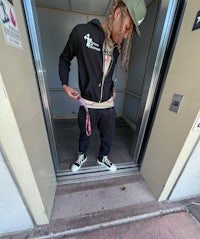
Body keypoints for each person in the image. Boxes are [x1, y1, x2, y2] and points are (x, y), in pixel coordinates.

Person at [59, 0, 146, 173]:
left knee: (109, 135)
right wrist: (64, 84)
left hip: (107, 105)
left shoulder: (116, 47)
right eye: (128, 27)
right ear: (118, 14)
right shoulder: (82, 33)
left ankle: (103, 158)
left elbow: (107, 71)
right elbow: (64, 58)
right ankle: (81, 155)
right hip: (88, 104)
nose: (127, 35)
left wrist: (112, 86)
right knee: (85, 134)